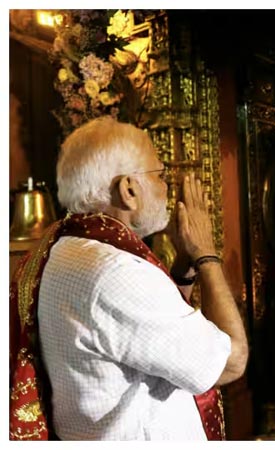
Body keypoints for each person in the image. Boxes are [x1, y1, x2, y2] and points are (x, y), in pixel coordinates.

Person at [9, 116, 248, 440]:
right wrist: (207, 254)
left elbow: (144, 332)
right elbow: (231, 361)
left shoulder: (60, 247)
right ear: (129, 189)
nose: (166, 187)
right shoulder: (116, 272)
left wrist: (185, 265)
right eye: (160, 175)